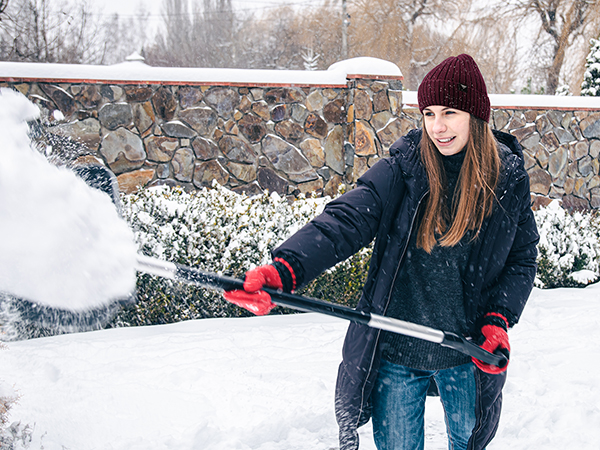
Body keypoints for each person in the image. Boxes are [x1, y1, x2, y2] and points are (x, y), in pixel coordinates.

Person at [223, 54, 539, 450]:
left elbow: (521, 258)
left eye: (450, 112)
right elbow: (345, 220)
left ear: (476, 115)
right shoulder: (406, 166)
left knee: (469, 443)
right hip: (398, 348)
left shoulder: (506, 178)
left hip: (466, 350)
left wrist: (497, 319)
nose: (437, 127)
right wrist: (285, 269)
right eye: (428, 113)